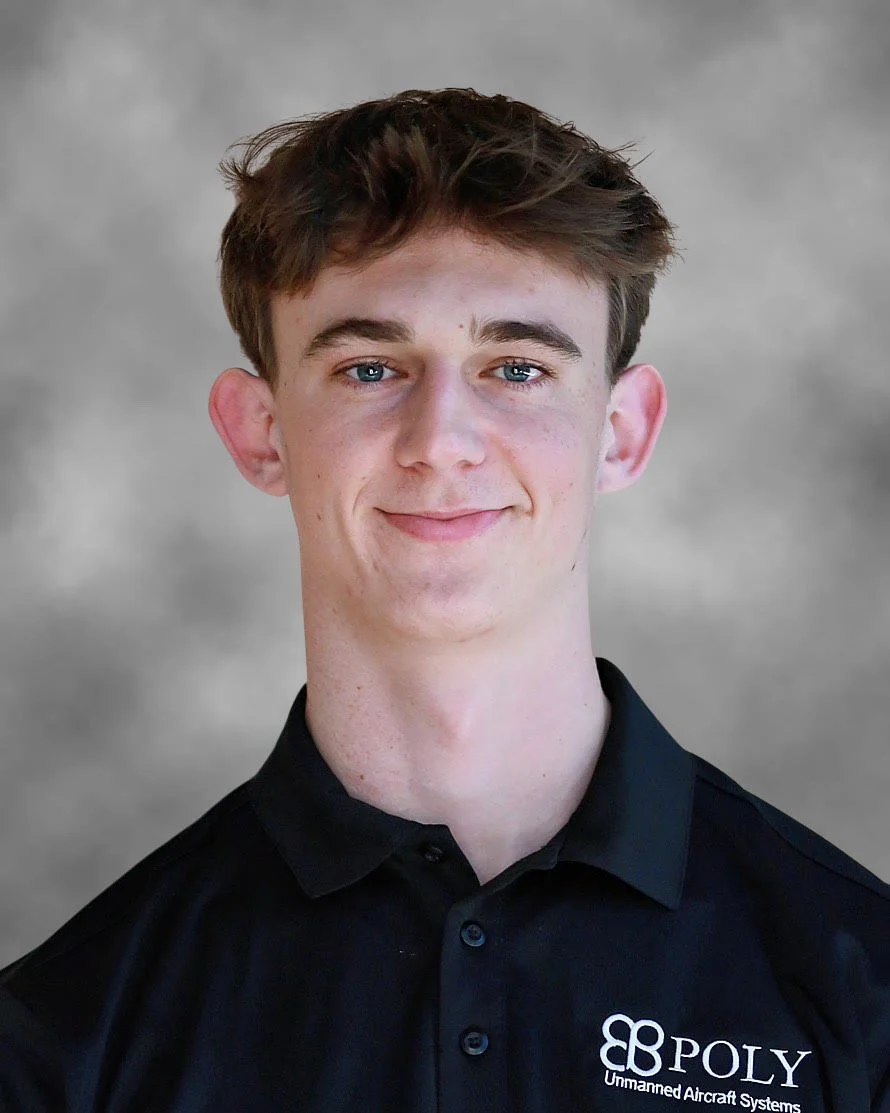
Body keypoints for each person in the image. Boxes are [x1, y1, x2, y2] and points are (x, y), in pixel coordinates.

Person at [1, 86, 888, 1112]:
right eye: (370, 367)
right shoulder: (67, 1033)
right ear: (260, 432)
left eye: (514, 368)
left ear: (621, 431)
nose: (438, 442)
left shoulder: (856, 987)